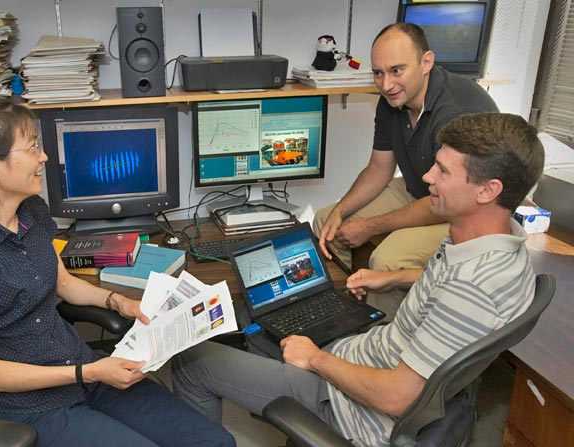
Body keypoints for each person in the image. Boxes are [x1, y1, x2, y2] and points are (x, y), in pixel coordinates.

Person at [173, 112, 544, 447]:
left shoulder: (471, 289)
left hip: (352, 405)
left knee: (191, 362)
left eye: (443, 171)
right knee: (261, 325)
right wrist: (394, 277)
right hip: (367, 355)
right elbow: (450, 290)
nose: (427, 176)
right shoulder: (501, 247)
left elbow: (397, 398)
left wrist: (316, 359)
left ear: (487, 190)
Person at [0, 96, 235, 447]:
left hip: (82, 371)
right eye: (31, 148)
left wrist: (120, 302)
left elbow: (64, 284)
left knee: (214, 442)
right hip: (30, 406)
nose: (43, 157)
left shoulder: (33, 212)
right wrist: (89, 371)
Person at [314, 23, 498, 320]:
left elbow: (449, 200)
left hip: (466, 209)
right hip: (420, 189)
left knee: (388, 259)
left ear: (426, 62)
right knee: (327, 221)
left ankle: (381, 344)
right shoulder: (391, 101)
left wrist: (372, 226)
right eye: (378, 73)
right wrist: (341, 210)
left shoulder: (457, 112)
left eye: (397, 71)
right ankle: (344, 315)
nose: (386, 84)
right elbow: (379, 168)